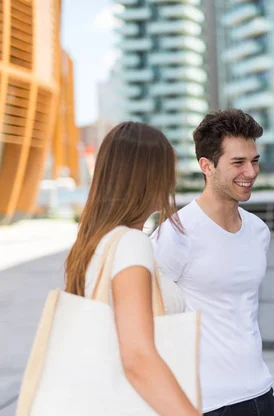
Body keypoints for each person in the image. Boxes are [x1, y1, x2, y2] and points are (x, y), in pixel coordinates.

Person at [64, 122, 198, 415]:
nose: (172, 181)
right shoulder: (130, 244)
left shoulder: (94, 242)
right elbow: (138, 357)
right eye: (167, 170)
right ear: (147, 177)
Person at [151, 109, 274, 416]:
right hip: (206, 403)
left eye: (255, 160)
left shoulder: (258, 231)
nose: (251, 171)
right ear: (206, 166)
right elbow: (148, 319)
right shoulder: (176, 233)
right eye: (238, 162)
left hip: (261, 393)